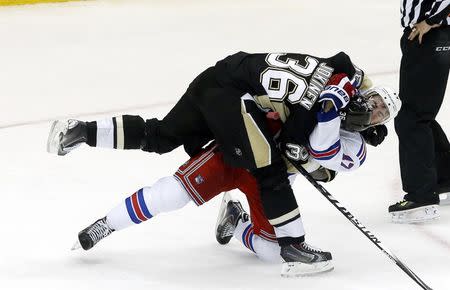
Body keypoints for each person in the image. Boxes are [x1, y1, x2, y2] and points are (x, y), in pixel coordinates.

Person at [47, 51, 400, 276]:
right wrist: (327, 119)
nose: (374, 111)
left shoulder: (348, 80)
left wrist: (354, 111)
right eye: (375, 104)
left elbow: (346, 68)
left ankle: (82, 131)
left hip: (223, 76)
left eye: (380, 113)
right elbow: (309, 146)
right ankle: (295, 244)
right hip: (234, 105)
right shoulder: (326, 104)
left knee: (161, 136)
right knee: (266, 169)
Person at [389, 1, 450, 223]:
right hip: (430, 36)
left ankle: (421, 195)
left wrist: (431, 21)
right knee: (418, 114)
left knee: (411, 118)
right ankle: (444, 177)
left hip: (430, 36)